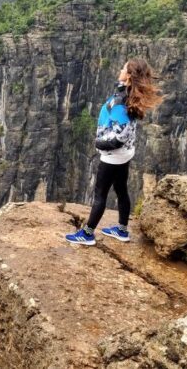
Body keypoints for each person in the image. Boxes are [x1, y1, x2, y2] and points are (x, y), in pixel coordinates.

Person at [65, 58, 164, 246]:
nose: (120, 70)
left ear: (129, 76)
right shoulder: (129, 94)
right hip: (124, 154)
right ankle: (122, 230)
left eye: (123, 69)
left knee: (100, 195)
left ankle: (87, 234)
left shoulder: (120, 102)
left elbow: (120, 135)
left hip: (113, 156)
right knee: (121, 190)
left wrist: (100, 143)